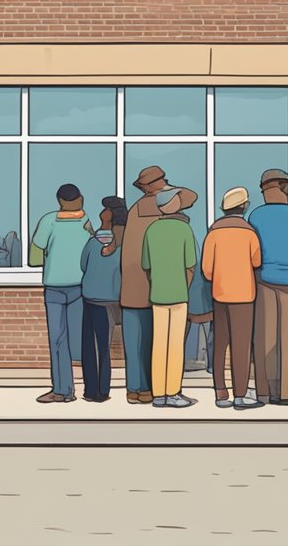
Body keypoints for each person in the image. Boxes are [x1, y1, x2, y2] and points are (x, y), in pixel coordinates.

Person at [248, 169, 288, 406]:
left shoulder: (255, 216)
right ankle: (285, 394)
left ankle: (265, 392)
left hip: (264, 281)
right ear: (285, 189)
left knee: (265, 339)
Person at [203, 187, 264, 410]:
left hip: (219, 294)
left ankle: (220, 393)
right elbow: (257, 262)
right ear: (245, 206)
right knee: (241, 346)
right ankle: (240, 394)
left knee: (220, 345)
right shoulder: (249, 233)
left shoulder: (214, 233)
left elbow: (206, 270)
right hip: (244, 296)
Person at [32, 183, 93, 404]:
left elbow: (35, 256)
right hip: (79, 287)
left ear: (60, 201)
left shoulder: (49, 220)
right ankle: (84, 389)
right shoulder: (86, 222)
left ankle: (63, 389)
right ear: (80, 199)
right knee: (78, 341)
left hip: (55, 287)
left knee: (57, 341)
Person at [142, 187, 199, 408]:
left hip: (157, 293)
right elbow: (190, 262)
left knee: (159, 344)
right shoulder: (184, 229)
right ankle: (173, 392)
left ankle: (158, 394)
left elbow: (146, 264)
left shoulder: (151, 230)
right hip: (178, 294)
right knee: (175, 345)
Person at [122, 166, 171, 405]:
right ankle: (152, 389)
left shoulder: (134, 211)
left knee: (135, 342)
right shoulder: (161, 209)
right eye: (163, 181)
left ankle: (135, 389)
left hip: (132, 286)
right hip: (156, 286)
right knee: (156, 342)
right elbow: (190, 196)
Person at [78, 196, 125, 403]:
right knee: (102, 347)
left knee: (92, 347)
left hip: (94, 299)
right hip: (109, 299)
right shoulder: (123, 244)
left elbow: (83, 265)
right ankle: (100, 389)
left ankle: (95, 390)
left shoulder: (93, 243)